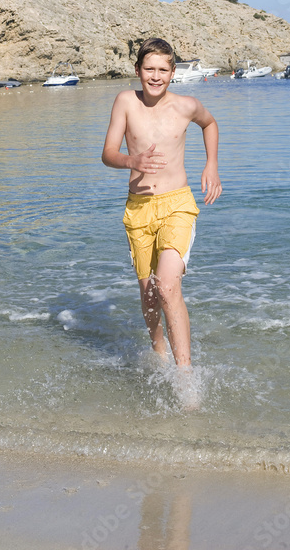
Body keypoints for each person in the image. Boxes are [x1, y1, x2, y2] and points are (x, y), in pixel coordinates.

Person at [101, 37, 222, 371]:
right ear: (138, 70)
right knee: (150, 294)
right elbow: (108, 153)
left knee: (167, 285)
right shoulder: (125, 102)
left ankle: (185, 374)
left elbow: (210, 123)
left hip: (177, 204)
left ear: (173, 73)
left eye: (163, 70)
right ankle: (159, 356)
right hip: (138, 209)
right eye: (149, 68)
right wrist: (132, 161)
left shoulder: (186, 106)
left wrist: (211, 165)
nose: (155, 76)